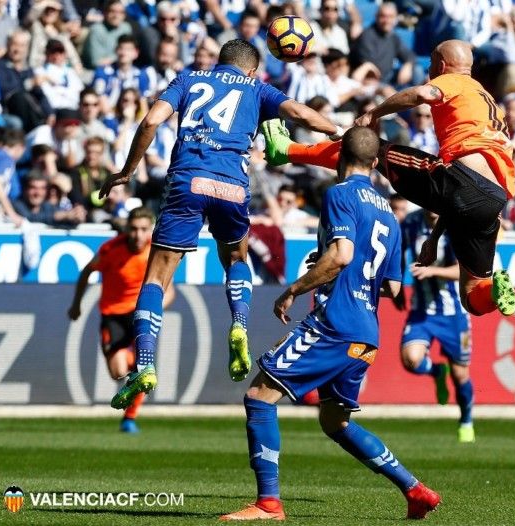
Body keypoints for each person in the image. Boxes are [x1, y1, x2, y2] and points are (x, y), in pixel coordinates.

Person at [98, 39, 340, 409]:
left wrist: (127, 171)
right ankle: (239, 323)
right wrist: (337, 131)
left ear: (218, 62)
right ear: (252, 69)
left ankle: (144, 365)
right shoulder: (258, 88)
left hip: (188, 180)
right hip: (232, 185)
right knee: (237, 259)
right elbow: (300, 114)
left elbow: (150, 121)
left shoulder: (188, 80)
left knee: (156, 278)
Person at [220, 126, 440, 522]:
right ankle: (414, 489)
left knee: (259, 397)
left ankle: (268, 503)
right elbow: (391, 286)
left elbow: (341, 256)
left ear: (339, 157)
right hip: (367, 332)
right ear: (375, 163)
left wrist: (294, 289)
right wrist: (335, 268)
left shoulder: (340, 194)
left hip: (335, 324)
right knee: (335, 421)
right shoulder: (390, 214)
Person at [263, 39, 515, 318]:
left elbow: (423, 93)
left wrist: (374, 113)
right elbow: (462, 197)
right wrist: (434, 238)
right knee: (472, 295)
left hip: (461, 180)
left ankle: (286, 150)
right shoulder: (488, 100)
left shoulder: (454, 81)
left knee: (365, 147)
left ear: (441, 65)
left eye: (431, 62)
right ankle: (494, 292)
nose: (428, 68)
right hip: (493, 200)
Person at [68, 207, 175, 433]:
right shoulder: (110, 249)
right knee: (118, 372)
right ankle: (136, 367)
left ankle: (130, 418)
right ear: (127, 228)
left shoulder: (156, 252)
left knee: (143, 370)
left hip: (140, 316)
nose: (138, 235)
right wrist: (76, 304)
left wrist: (152, 310)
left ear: (151, 230)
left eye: (143, 229)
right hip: (114, 316)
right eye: (134, 229)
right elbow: (87, 271)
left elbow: (169, 291)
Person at [400, 209, 475, 442]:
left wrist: (432, 270)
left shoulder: (457, 225)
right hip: (422, 310)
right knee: (411, 360)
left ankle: (466, 421)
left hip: (454, 313)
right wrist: (396, 286)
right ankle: (437, 371)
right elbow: (397, 252)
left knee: (460, 374)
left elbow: (466, 269)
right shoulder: (411, 223)